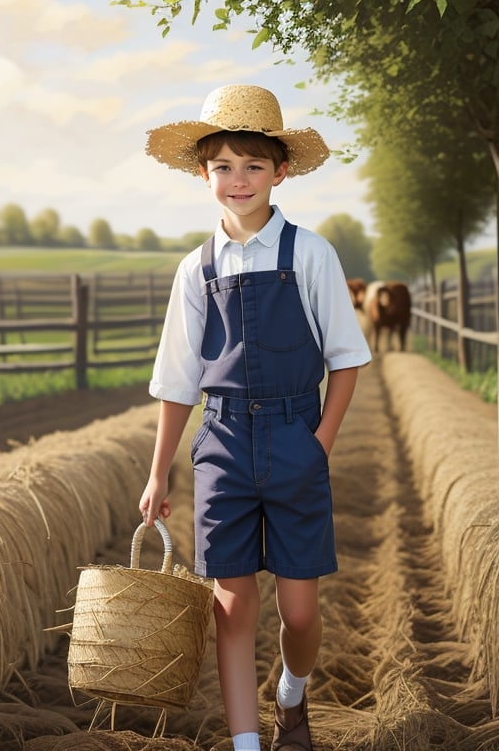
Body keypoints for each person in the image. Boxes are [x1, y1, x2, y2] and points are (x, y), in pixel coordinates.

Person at [139, 84, 371, 751]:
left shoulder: (311, 255)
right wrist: (159, 474)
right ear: (203, 173)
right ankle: (247, 744)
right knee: (232, 607)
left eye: (253, 166)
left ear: (281, 171)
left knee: (300, 613)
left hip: (296, 436)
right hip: (223, 445)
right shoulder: (195, 269)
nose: (238, 181)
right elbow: (177, 382)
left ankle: (292, 695)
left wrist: (318, 442)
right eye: (222, 168)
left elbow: (347, 360)